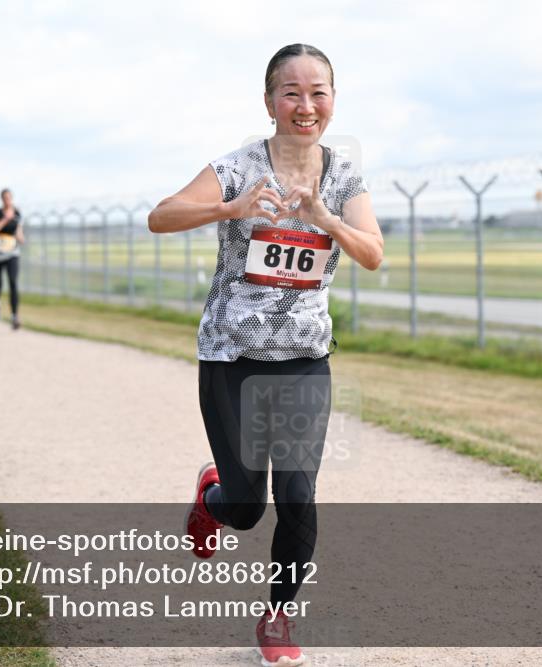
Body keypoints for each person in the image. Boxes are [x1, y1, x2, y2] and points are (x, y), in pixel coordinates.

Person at [148, 44, 383, 667]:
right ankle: (214, 499)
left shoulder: (345, 177)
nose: (306, 106)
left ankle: (278, 617)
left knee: (299, 497)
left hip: (305, 360)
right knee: (248, 508)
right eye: (291, 92)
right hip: (232, 358)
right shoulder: (237, 167)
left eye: (318, 92)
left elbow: (372, 253)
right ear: (269, 100)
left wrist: (327, 219)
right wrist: (230, 208)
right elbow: (160, 216)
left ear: (333, 99)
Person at [0, 188, 24, 330]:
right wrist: (5, 220)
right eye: (5, 198)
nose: (7, 200)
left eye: (9, 197)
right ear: (2, 199)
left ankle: (15, 316)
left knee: (13, 282)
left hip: (12, 253)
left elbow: (19, 232)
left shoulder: (17, 213)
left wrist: (21, 238)